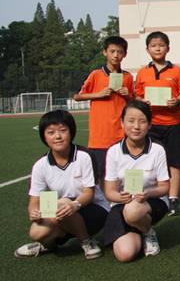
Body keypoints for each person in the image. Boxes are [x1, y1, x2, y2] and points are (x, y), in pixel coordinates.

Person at [14, 110, 109, 259]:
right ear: (44, 137)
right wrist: (34, 212)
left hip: (93, 210)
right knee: (36, 232)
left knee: (61, 204)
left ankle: (86, 241)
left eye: (63, 130)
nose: (57, 136)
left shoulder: (84, 156)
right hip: (63, 213)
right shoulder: (40, 165)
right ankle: (48, 246)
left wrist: (74, 205)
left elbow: (89, 193)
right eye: (51, 132)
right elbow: (34, 202)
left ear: (71, 132)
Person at [103, 100, 170, 262]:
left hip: (152, 202)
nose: (136, 126)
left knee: (134, 210)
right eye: (131, 121)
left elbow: (164, 187)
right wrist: (120, 197)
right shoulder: (113, 151)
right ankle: (137, 228)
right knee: (125, 254)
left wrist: (148, 194)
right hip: (124, 204)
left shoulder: (157, 150)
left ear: (150, 124)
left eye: (142, 121)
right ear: (122, 123)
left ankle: (148, 233)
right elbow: (110, 192)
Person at [135, 31, 180, 216]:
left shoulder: (176, 70)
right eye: (153, 46)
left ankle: (173, 199)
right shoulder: (142, 72)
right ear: (147, 49)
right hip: (151, 125)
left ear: (168, 48)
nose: (157, 49)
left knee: (174, 161)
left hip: (174, 123)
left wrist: (177, 101)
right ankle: (151, 195)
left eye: (161, 45)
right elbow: (137, 95)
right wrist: (142, 101)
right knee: (150, 161)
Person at [74, 36, 134, 191]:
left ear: (125, 54)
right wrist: (98, 94)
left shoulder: (127, 77)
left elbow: (133, 103)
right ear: (104, 52)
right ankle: (104, 201)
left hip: (122, 132)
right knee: (101, 172)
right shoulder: (96, 75)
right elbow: (78, 96)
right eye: (112, 51)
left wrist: (128, 95)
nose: (116, 55)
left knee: (125, 169)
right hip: (100, 135)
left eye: (119, 52)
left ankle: (125, 198)